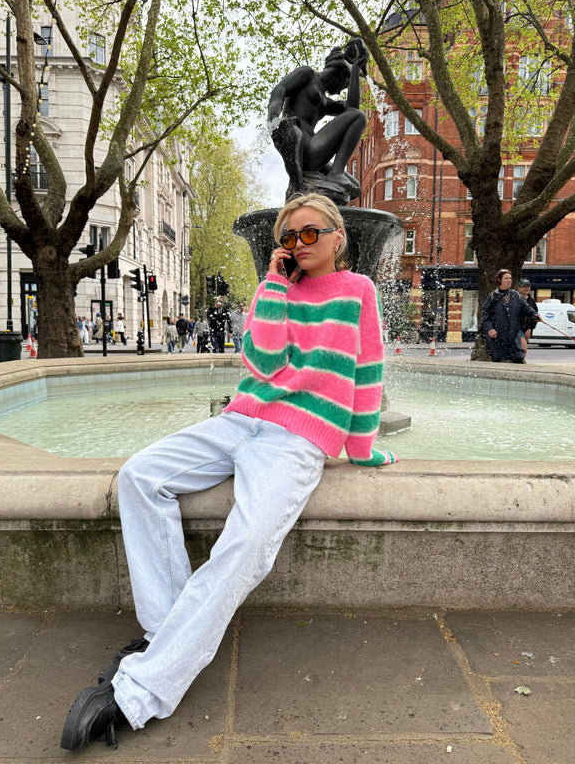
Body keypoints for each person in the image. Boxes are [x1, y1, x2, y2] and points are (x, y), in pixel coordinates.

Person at [59, 192, 398, 751]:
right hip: (240, 418)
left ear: (339, 238)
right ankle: (166, 636)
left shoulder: (358, 291)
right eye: (288, 237)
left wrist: (362, 450)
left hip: (298, 438)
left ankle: (140, 690)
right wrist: (272, 285)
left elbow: (368, 374)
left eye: (310, 234)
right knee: (140, 476)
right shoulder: (279, 288)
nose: (297, 245)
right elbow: (261, 362)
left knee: (249, 543)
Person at [268, 38, 367, 202]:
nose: (342, 89)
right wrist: (273, 119)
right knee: (359, 117)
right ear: (341, 74)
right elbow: (280, 88)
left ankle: (334, 175)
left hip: (313, 152)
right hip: (302, 146)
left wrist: (355, 70)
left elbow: (352, 108)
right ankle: (335, 173)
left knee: (354, 188)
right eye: (346, 84)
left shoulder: (325, 102)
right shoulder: (308, 74)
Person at [481, 269, 540, 363]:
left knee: (519, 359)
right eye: (506, 278)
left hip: (514, 339)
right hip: (498, 340)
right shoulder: (492, 297)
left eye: (510, 278)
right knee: (500, 364)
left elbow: (526, 308)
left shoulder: (516, 295)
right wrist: (489, 329)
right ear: (499, 280)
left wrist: (535, 314)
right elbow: (485, 316)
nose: (509, 280)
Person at [517, 278, 538, 358]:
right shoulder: (516, 299)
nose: (526, 288)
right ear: (519, 288)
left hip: (527, 329)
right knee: (524, 349)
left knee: (523, 348)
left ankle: (520, 361)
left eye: (528, 286)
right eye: (524, 286)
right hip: (517, 328)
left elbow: (535, 316)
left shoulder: (531, 301)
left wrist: (530, 328)